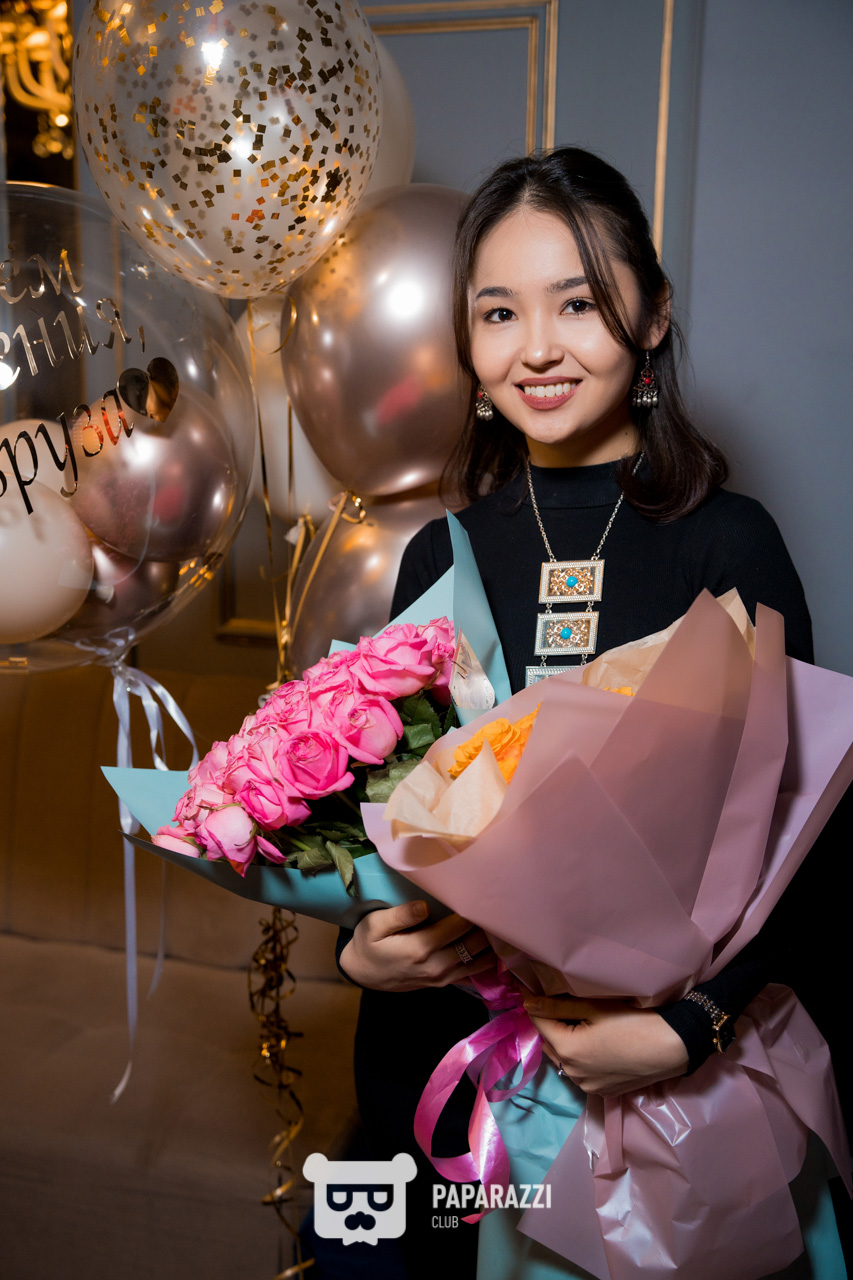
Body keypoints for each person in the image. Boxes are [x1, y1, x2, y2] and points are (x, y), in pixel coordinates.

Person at [336, 147, 844, 1279]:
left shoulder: (727, 543)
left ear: (652, 315)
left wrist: (688, 1025)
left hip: (672, 1085)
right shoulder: (438, 554)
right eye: (499, 312)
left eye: (578, 303)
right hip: (463, 1071)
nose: (537, 347)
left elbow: (808, 835)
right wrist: (360, 944)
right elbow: (382, 809)